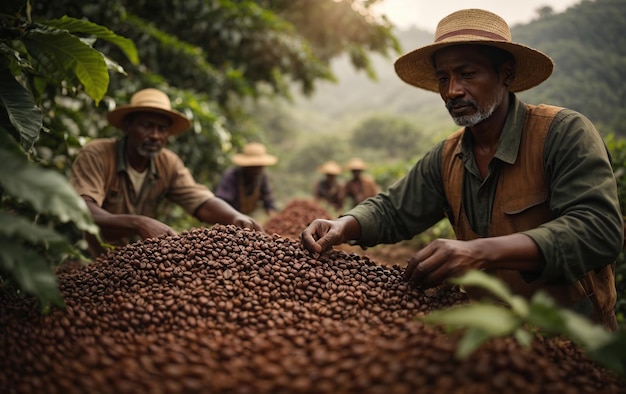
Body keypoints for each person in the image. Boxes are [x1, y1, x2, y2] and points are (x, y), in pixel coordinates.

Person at [301, 9, 623, 330]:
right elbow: (392, 210)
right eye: (444, 78)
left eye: (467, 74)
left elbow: (599, 230)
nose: (452, 91)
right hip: (487, 340)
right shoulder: (446, 157)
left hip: (574, 341)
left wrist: (480, 251)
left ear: (506, 74)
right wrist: (345, 224)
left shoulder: (562, 133)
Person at [69, 88, 262, 257]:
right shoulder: (98, 154)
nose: (155, 135)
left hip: (142, 263)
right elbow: (83, 208)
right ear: (128, 126)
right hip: (93, 260)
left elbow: (200, 201)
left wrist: (234, 217)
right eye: (147, 126)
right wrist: (139, 223)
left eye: (162, 129)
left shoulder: (168, 162)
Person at [215, 142, 278, 217]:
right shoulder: (232, 176)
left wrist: (274, 218)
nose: (257, 170)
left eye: (259, 167)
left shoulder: (261, 178)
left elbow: (268, 201)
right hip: (227, 218)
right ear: (246, 166)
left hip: (245, 219)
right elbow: (222, 203)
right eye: (253, 167)